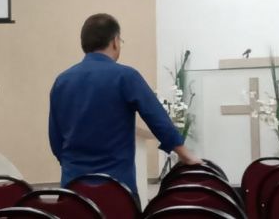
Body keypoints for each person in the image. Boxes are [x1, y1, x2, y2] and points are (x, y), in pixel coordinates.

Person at [49, 13, 201, 198]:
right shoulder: (126, 76)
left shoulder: (62, 81)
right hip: (117, 189)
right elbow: (157, 119)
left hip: (73, 189)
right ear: (115, 41)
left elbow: (55, 139)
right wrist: (186, 155)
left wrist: (72, 166)